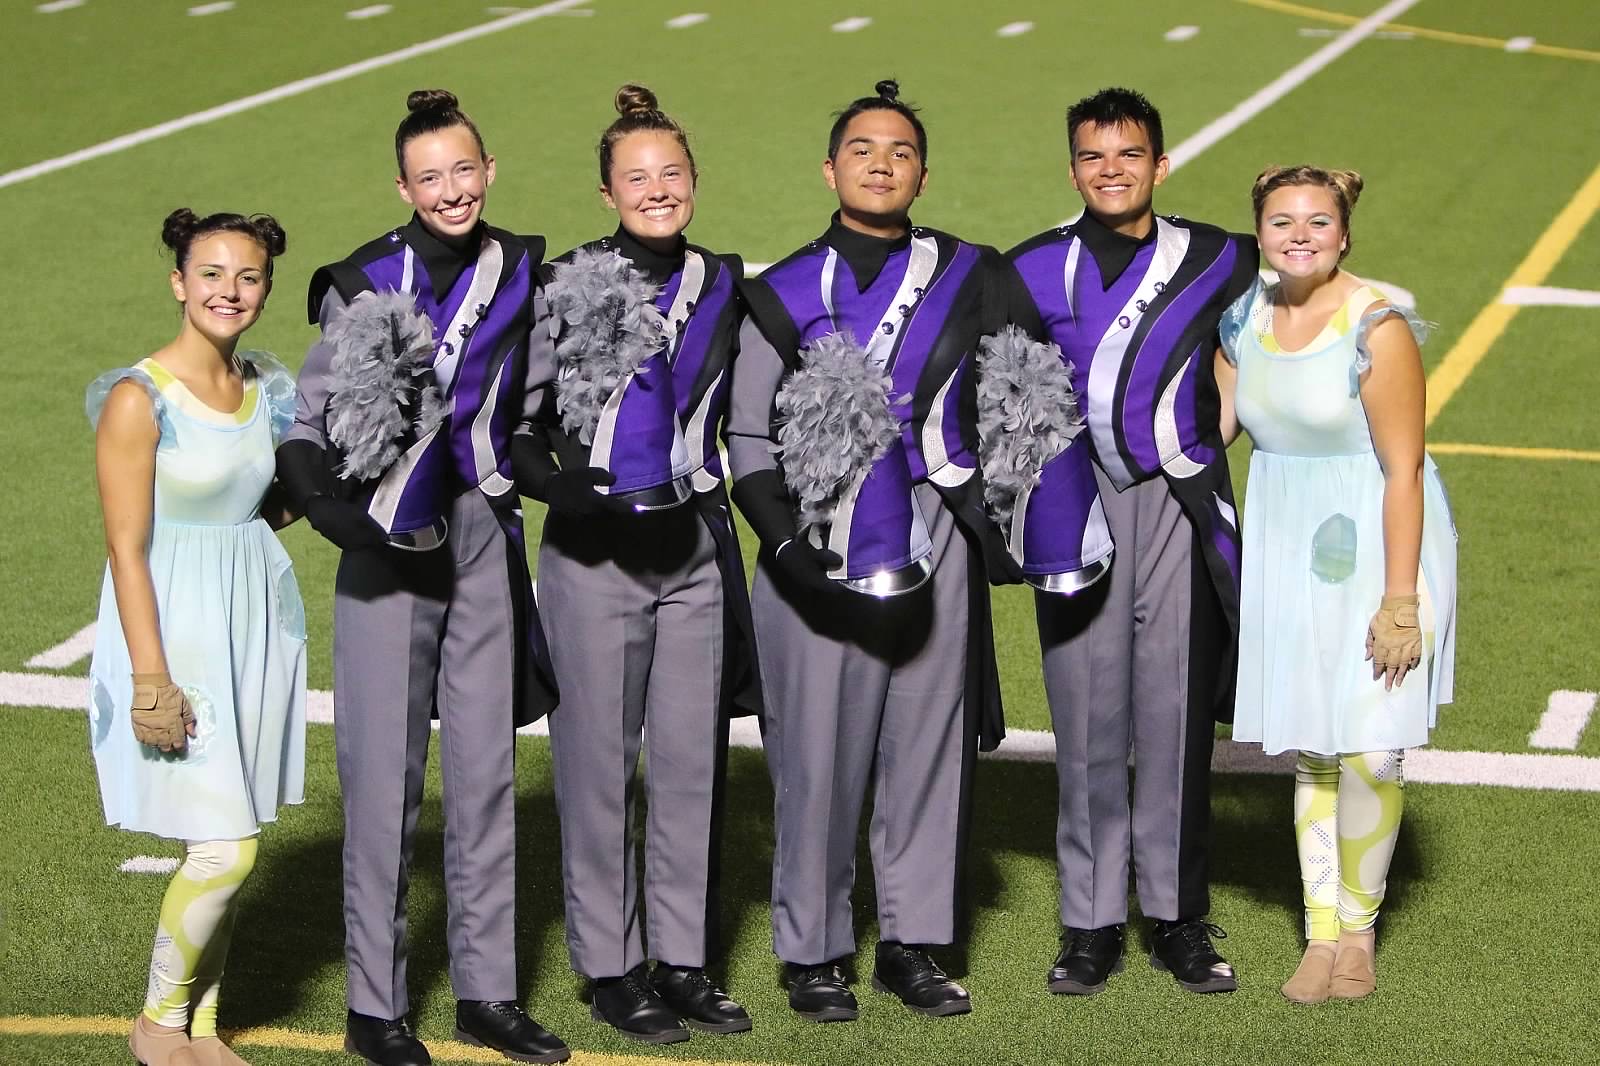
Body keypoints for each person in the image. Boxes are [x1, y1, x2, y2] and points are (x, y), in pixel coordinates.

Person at [275, 90, 568, 1066]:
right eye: (430, 176)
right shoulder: (362, 282)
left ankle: (486, 992)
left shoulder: (520, 264)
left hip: (482, 535)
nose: (451, 189)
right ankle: (376, 1006)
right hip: (386, 549)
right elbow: (310, 426)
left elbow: (525, 407)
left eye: (464, 170)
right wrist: (329, 512)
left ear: (489, 171)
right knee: (384, 783)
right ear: (404, 187)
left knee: (485, 774)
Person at [728, 79, 1014, 1023]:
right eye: (862, 148)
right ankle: (813, 952)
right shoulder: (777, 292)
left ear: (923, 172)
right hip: (816, 543)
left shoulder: (972, 273)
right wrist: (788, 549)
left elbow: (1018, 395)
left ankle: (913, 944)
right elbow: (748, 444)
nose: (882, 162)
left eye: (899, 150)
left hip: (935, 529)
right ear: (830, 168)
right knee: (816, 756)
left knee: (928, 741)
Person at [1003, 87, 1259, 996]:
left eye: (1129, 154)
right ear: (1073, 168)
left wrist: (1208, 436)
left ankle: (1179, 916)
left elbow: (1267, 345)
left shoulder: (1224, 255)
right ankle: (1091, 920)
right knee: (1085, 719)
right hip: (1076, 512)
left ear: (1161, 161)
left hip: (1177, 509)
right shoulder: (1030, 269)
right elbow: (1003, 398)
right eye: (1092, 156)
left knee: (1176, 718)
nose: (1111, 170)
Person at [518, 84, 759, 1043]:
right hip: (594, 556)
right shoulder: (566, 283)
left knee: (695, 763)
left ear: (694, 181)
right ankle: (612, 967)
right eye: (636, 178)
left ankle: (685, 958)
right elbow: (521, 426)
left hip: (695, 548)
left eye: (670, 174)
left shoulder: (726, 282)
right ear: (608, 191)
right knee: (598, 766)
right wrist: (567, 489)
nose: (656, 190)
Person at [1215, 166, 1457, 1003]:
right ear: (1259, 234)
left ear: (1344, 233)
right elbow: (1208, 436)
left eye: (1318, 221)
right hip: (1286, 543)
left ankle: (1359, 933)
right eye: (1282, 221)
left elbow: (1404, 469)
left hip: (1378, 544)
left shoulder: (1376, 327)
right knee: (1315, 750)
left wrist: (1400, 602)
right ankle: (1320, 936)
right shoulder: (1241, 318)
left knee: (1373, 749)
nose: (1300, 234)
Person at [87, 208, 305, 1066]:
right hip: (175, 634)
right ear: (180, 282)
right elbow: (125, 548)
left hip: (252, 622)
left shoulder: (266, 390)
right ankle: (157, 1024)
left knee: (234, 830)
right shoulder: (140, 400)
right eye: (211, 273)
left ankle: (201, 1031)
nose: (230, 291)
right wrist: (151, 679)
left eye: (248, 276)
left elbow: (263, 510)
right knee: (225, 846)